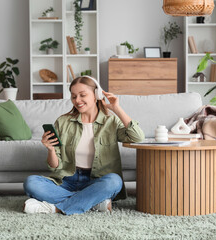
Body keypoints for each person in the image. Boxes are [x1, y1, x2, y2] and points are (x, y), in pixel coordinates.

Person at [23, 76, 145, 215]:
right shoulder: (63, 122)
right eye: (74, 96)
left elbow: (137, 137)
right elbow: (55, 166)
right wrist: (50, 150)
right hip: (67, 180)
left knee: (114, 181)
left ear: (96, 95)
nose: (77, 100)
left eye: (83, 95)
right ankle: (93, 201)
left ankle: (55, 208)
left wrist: (117, 109)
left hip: (96, 181)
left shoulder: (110, 121)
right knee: (31, 182)